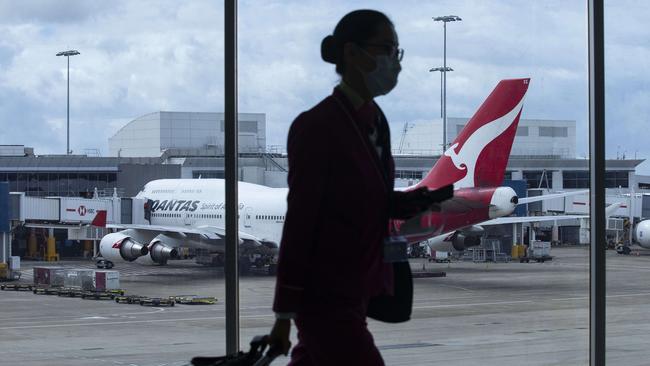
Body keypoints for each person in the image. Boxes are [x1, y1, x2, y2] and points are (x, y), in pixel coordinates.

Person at [269, 9, 438, 365]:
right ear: (352, 53)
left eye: (397, 53)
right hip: (326, 296)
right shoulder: (317, 126)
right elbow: (300, 223)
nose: (396, 63)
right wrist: (283, 314)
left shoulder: (376, 121)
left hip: (360, 289)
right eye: (388, 50)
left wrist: (401, 204)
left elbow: (358, 197)